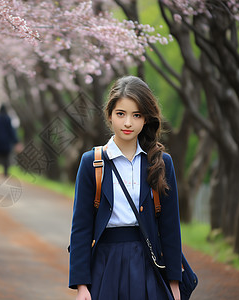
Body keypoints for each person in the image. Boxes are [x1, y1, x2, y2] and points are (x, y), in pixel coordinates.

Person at [69, 76, 182, 300]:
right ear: (110, 116)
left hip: (148, 263)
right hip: (104, 263)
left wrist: (174, 282)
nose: (128, 122)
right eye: (121, 114)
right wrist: (81, 284)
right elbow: (81, 227)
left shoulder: (160, 163)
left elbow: (170, 226)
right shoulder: (92, 162)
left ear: (146, 119)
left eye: (136, 115)